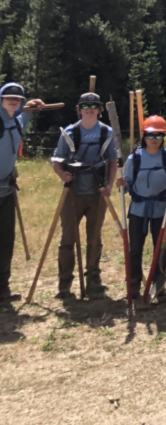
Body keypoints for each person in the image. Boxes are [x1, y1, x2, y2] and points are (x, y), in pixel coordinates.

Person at [51, 92, 119, 297]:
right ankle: (65, 282)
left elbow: (113, 161)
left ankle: (93, 278)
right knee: (68, 238)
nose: (89, 109)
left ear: (99, 110)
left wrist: (109, 184)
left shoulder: (107, 133)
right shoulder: (69, 133)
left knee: (94, 237)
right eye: (85, 106)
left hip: (97, 193)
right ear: (79, 110)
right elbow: (57, 160)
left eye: (93, 106)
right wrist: (61, 173)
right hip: (72, 193)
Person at [117, 115, 166, 298]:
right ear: (144, 136)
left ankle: (158, 283)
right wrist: (121, 185)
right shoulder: (134, 159)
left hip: (161, 209)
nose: (154, 140)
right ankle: (134, 284)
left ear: (164, 137)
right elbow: (127, 185)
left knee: (159, 246)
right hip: (138, 210)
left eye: (159, 135)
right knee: (136, 248)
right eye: (150, 135)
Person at [0, 83, 45, 301]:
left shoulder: (16, 123)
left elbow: (23, 117)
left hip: (7, 189)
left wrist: (30, 106)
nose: (12, 101)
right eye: (8, 98)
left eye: (17, 99)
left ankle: (2, 288)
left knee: (6, 239)